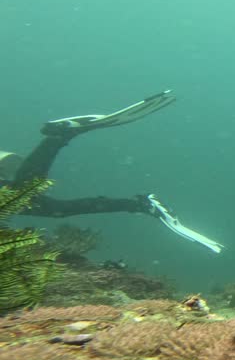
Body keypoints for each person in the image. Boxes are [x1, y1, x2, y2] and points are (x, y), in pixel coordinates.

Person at [0, 91, 223, 253]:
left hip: (7, 169)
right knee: (56, 209)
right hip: (11, 168)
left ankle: (59, 136)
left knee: (23, 193)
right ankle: (141, 204)